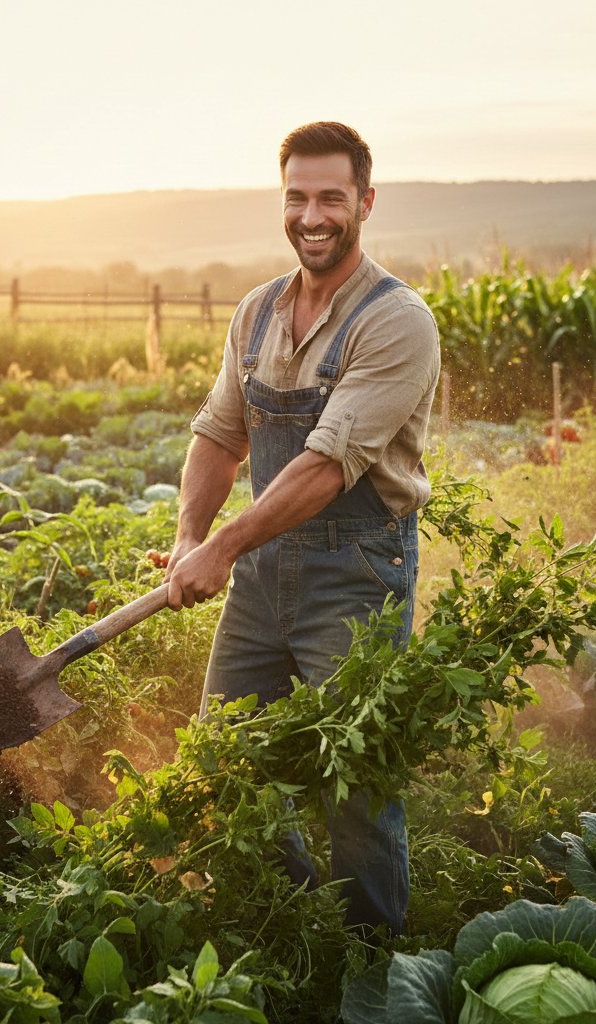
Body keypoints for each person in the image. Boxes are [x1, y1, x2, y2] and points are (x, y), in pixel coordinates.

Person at [163, 121, 440, 936]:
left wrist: (224, 546)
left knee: (354, 787)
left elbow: (325, 466)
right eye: (297, 197)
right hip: (260, 577)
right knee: (227, 764)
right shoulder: (256, 313)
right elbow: (219, 433)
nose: (311, 215)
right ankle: (288, 926)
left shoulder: (396, 321)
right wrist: (190, 536)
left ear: (364, 202)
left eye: (330, 198)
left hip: (354, 572)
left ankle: (368, 958)